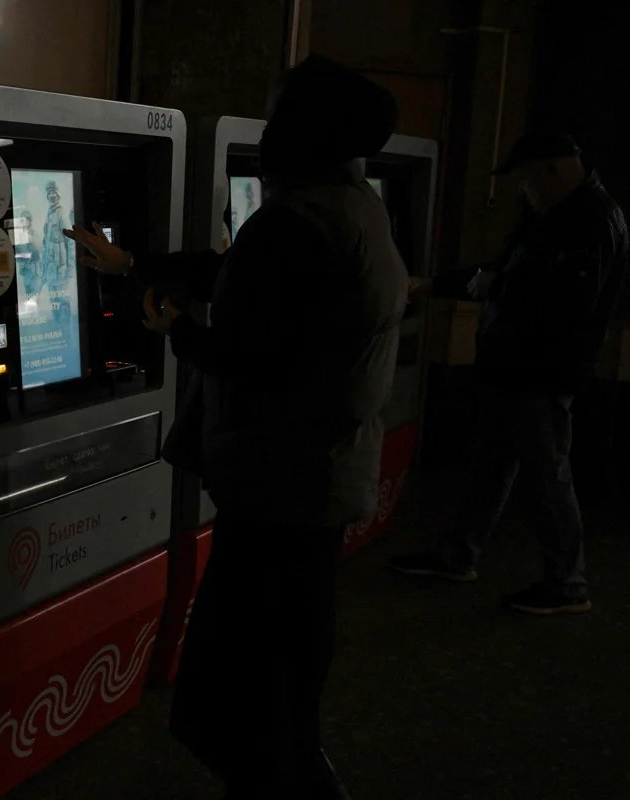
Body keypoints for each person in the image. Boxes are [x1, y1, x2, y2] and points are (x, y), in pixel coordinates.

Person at [65, 54, 405, 799]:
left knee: (250, 676)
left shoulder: (295, 220)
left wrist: (175, 327)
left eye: (276, 110)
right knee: (289, 663)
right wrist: (134, 263)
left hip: (279, 480)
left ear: (300, 128)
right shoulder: (354, 206)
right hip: (321, 473)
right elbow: (242, 278)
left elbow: (254, 356)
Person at [391, 132, 628, 615]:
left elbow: (566, 302)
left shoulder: (592, 219)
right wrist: (435, 284)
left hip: (541, 374)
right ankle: (458, 555)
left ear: (552, 170)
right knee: (491, 468)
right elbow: (504, 270)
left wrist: (499, 287)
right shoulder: (560, 214)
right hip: (516, 370)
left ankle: (568, 584)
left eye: (526, 179)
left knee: (548, 478)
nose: (524, 190)